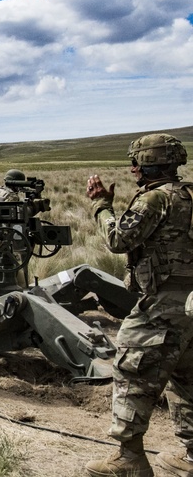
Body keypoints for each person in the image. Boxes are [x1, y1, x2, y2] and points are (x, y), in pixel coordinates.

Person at [84, 133, 193, 477]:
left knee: (133, 368)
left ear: (144, 165)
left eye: (135, 163)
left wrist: (101, 206)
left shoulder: (154, 200)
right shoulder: (190, 194)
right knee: (186, 377)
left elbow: (118, 239)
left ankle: (128, 459)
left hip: (163, 303)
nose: (132, 168)